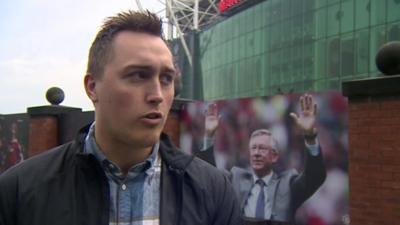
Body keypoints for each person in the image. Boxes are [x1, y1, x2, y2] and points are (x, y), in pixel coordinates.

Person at [0, 10, 241, 225]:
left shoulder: (214, 191)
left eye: (166, 79)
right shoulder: (20, 190)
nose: (157, 95)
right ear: (92, 87)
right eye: (138, 75)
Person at [200, 94, 326, 223]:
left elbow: (315, 177)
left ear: (275, 156)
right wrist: (209, 136)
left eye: (262, 148)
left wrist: (310, 136)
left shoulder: (288, 185)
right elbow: (209, 178)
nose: (256, 153)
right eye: (253, 148)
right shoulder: (235, 180)